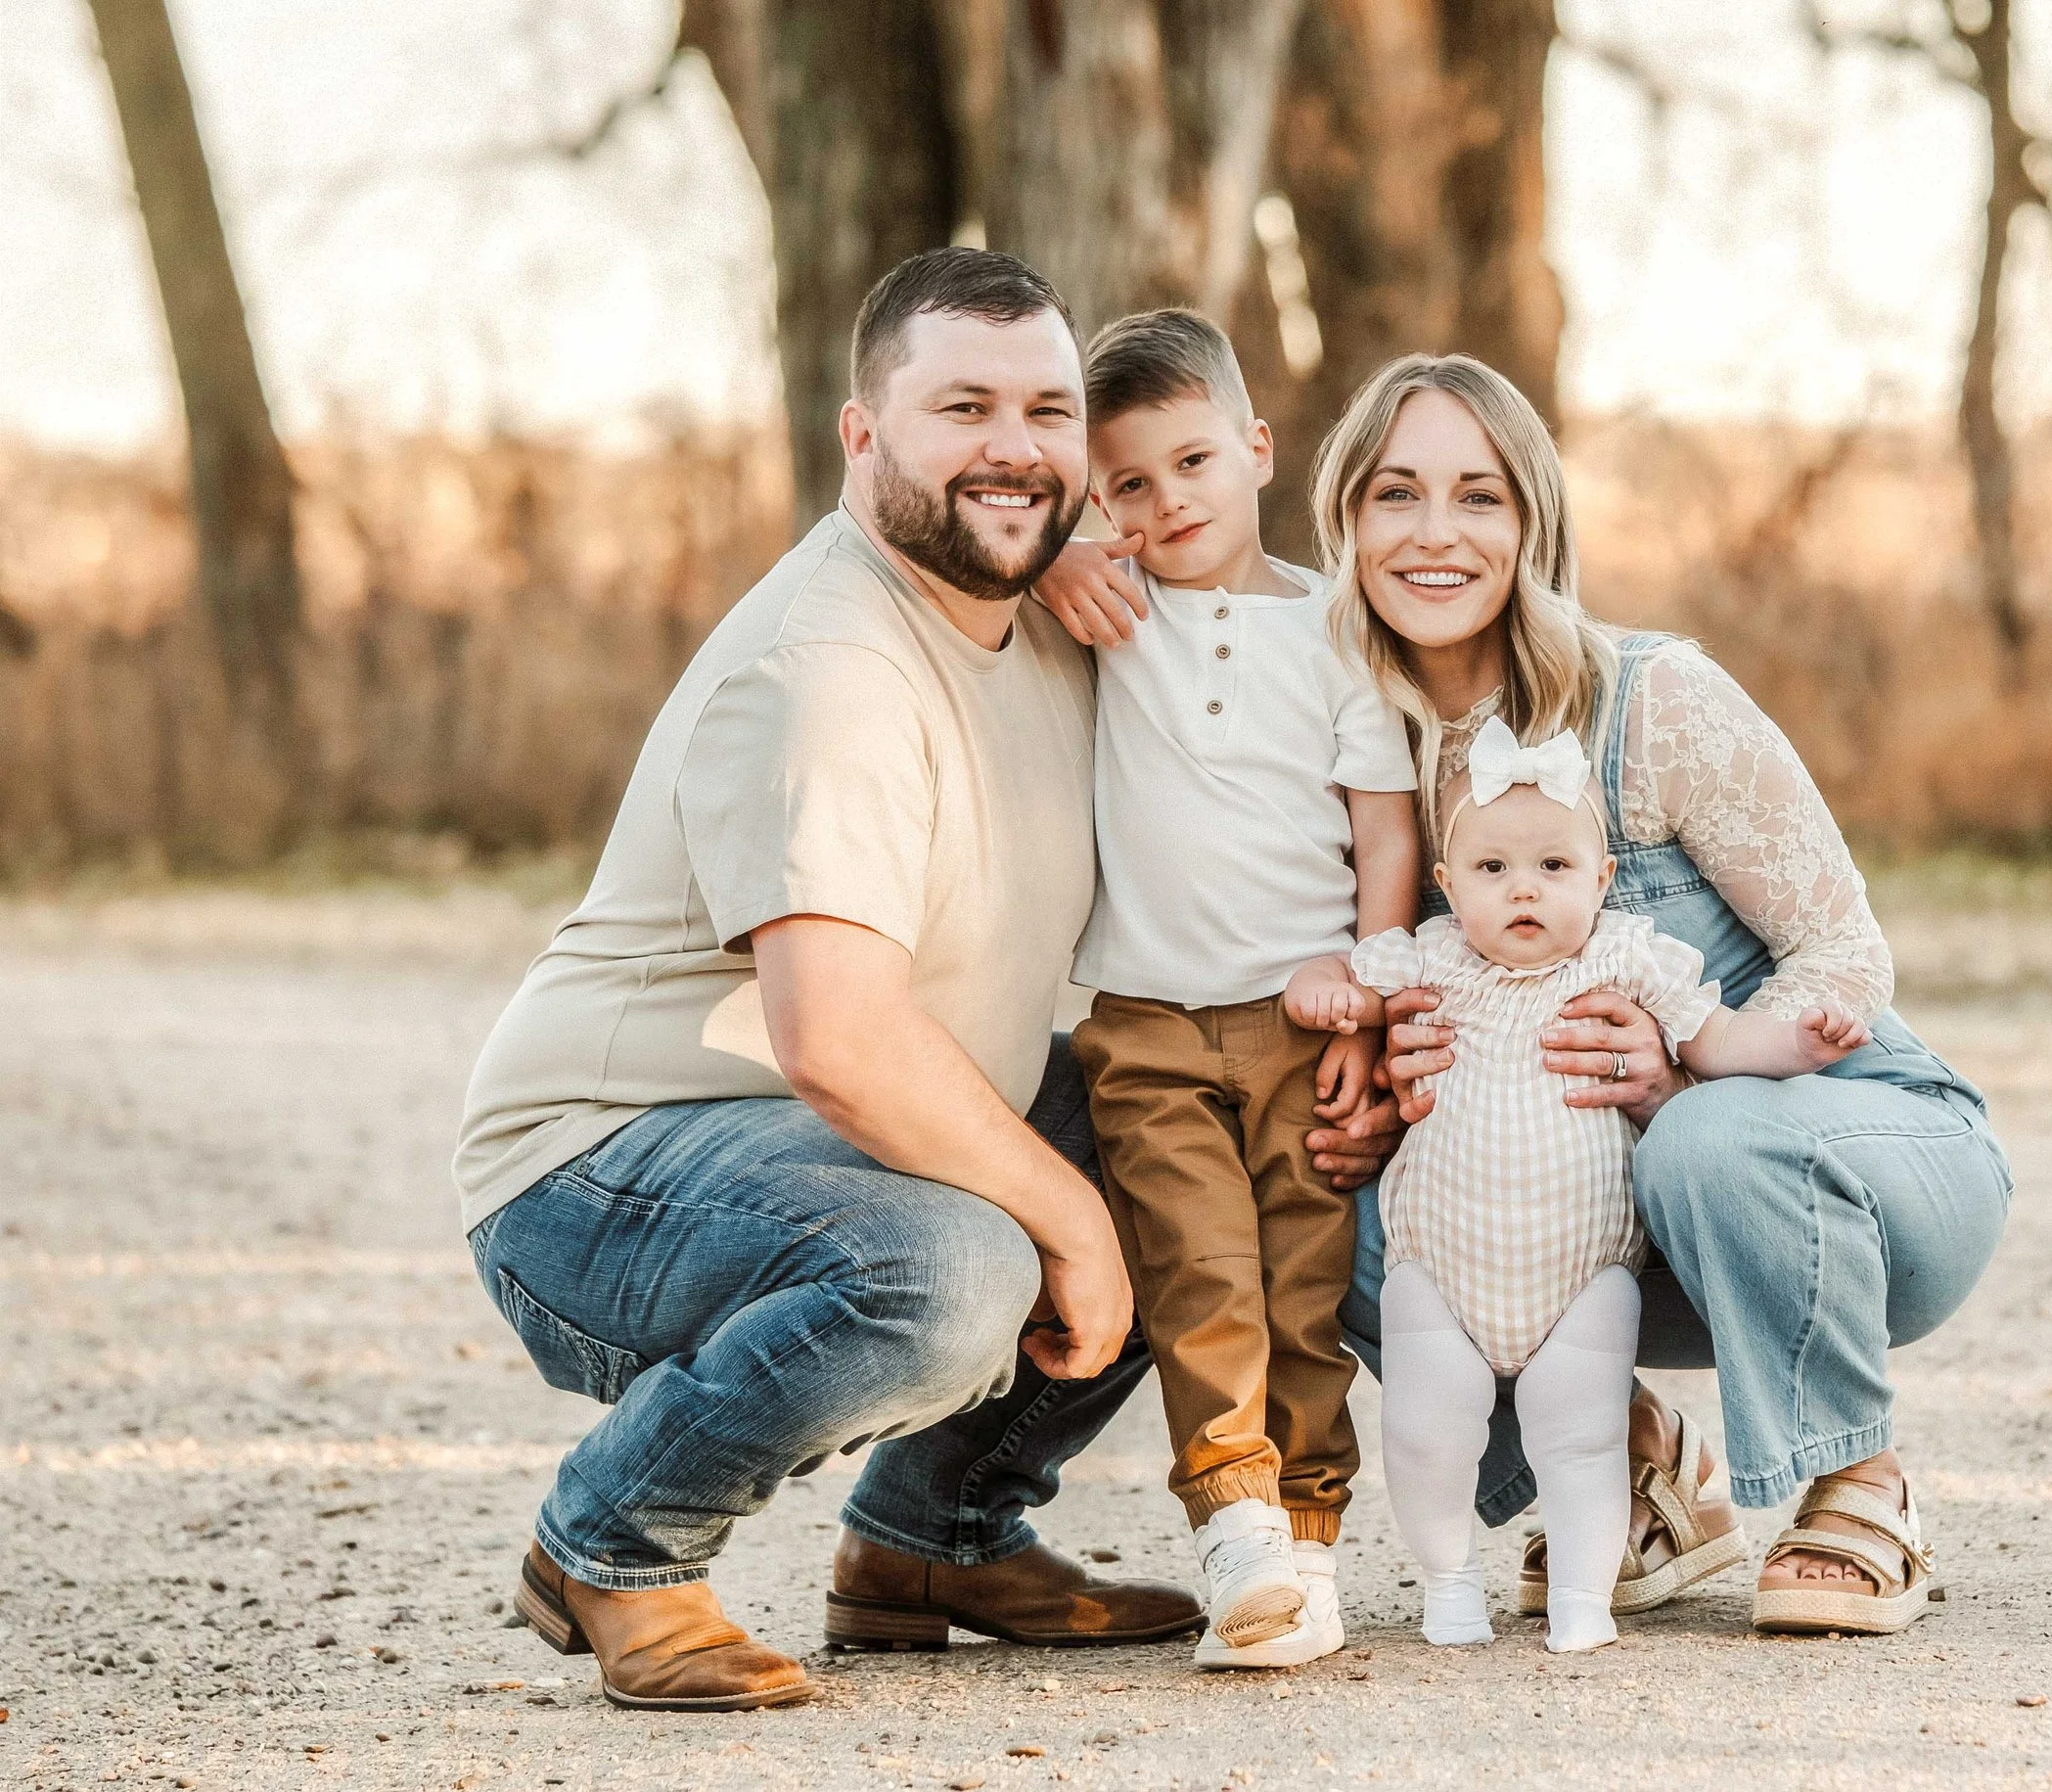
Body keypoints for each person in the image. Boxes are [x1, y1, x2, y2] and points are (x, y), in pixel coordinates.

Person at [451, 249, 1208, 1713]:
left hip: (812, 1140)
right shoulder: (828, 669)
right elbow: (843, 1045)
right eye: (962, 407)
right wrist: (1076, 1222)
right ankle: (615, 1542)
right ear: (863, 436)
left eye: (1049, 411)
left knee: (1192, 1121)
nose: (1015, 447)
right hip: (598, 1171)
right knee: (951, 1269)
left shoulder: (1033, 606)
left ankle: (933, 1541)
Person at [1315, 351, 2014, 1638]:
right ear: (1343, 520)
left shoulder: (1651, 701)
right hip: (1607, 1228)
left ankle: (1859, 1478)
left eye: (1479, 496)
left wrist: (1689, 1068)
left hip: (1848, 1170)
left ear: (1536, 523)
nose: (1432, 533)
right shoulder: (1357, 755)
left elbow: (1847, 959)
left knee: (1707, 1132)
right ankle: (1637, 1467)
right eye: (1393, 494)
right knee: (1323, 1188)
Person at [1296, 717, 1866, 1651]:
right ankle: (1447, 1586)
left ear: (1601, 882)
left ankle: (1583, 1602)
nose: (1525, 888)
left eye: (1555, 867)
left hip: (1585, 1277)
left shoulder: (1624, 957)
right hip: (1438, 1271)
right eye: (1493, 870)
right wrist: (1323, 981)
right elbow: (1354, 983)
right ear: (1446, 885)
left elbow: (1714, 1042)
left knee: (1583, 1440)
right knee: (1426, 1434)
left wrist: (1796, 1041)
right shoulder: (1431, 956)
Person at [1040, 308, 1416, 1670]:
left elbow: (1385, 832)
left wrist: (1373, 1000)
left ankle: (1307, 1546)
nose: (1166, 501)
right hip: (1143, 1020)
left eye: (1193, 462)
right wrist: (1054, 564)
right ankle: (1236, 1531)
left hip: (1300, 1022)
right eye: (1126, 483)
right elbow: (988, 577)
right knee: (1200, 1277)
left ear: (1256, 449)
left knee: (1306, 1292)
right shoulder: (1102, 609)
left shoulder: (1336, 625)